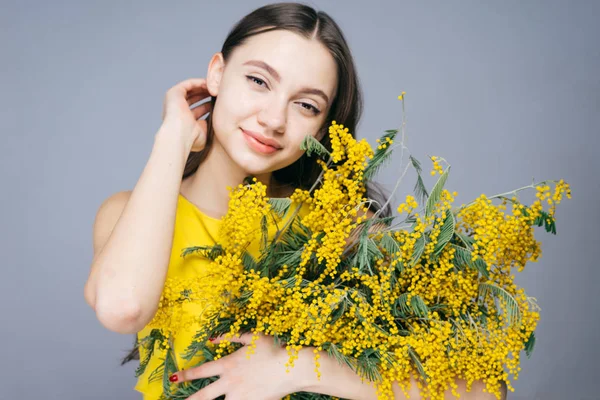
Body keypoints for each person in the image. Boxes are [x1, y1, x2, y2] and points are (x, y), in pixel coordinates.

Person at [84, 2, 506, 399]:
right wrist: (173, 138)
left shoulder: (339, 226)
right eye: (258, 81)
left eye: (306, 105)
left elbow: (487, 389)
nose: (273, 119)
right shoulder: (126, 213)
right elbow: (124, 308)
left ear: (322, 130)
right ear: (216, 74)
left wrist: (297, 368)